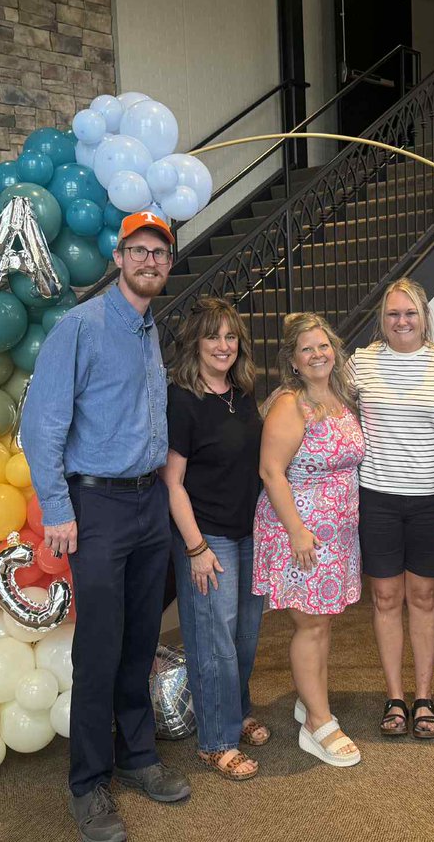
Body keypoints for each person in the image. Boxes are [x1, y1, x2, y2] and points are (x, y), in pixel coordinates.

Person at [21, 210, 190, 842]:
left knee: (141, 638)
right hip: (98, 508)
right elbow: (41, 426)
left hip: (149, 505)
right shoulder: (82, 327)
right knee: (99, 647)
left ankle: (138, 755)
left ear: (168, 266)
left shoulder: (150, 329)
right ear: (119, 258)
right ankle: (88, 783)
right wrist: (59, 511)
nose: (151, 262)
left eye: (161, 254)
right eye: (139, 251)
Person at [347, 279, 434, 740]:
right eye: (394, 314)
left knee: (422, 597)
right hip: (376, 497)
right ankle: (394, 696)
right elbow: (336, 413)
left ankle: (423, 696)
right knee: (384, 598)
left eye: (410, 313)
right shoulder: (361, 363)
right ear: (383, 318)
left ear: (424, 317)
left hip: (432, 499)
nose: (402, 322)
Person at [159, 297, 269, 782]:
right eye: (213, 336)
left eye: (230, 336)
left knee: (245, 634)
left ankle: (236, 710)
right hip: (209, 538)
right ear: (195, 344)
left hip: (250, 532)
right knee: (213, 642)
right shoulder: (181, 399)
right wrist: (196, 547)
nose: (223, 346)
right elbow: (172, 481)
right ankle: (215, 741)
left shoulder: (243, 392)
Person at [252, 312, 365, 768]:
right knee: (310, 625)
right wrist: (298, 531)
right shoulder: (290, 404)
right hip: (299, 532)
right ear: (293, 362)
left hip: (338, 532)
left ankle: (309, 698)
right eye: (307, 350)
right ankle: (318, 723)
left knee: (323, 622)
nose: (318, 355)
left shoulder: (340, 396)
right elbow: (270, 471)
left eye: (323, 346)